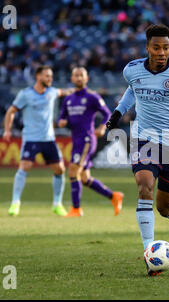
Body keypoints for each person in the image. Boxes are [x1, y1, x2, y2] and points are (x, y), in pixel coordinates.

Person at [106, 24, 169, 276]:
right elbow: (133, 89)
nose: (161, 52)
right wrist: (117, 113)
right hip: (144, 141)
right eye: (156, 47)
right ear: (147, 48)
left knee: (163, 207)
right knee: (144, 186)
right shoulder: (131, 70)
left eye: (166, 47)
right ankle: (149, 254)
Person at [3, 65, 74, 216]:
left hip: (48, 139)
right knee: (25, 166)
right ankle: (15, 203)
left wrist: (80, 90)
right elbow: (11, 111)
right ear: (38, 77)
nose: (50, 79)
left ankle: (57, 204)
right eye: (47, 76)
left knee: (60, 170)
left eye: (51, 76)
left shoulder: (52, 92)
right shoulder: (26, 94)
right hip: (31, 138)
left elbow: (65, 92)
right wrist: (7, 130)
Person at [57, 67, 124, 217]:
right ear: (72, 79)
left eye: (82, 75)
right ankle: (114, 196)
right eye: (76, 75)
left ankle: (76, 209)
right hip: (76, 140)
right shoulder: (68, 99)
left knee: (73, 171)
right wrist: (61, 121)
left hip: (87, 140)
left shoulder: (92, 97)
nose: (79, 78)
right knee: (85, 178)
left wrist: (102, 127)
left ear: (86, 79)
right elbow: (62, 117)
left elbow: (108, 114)